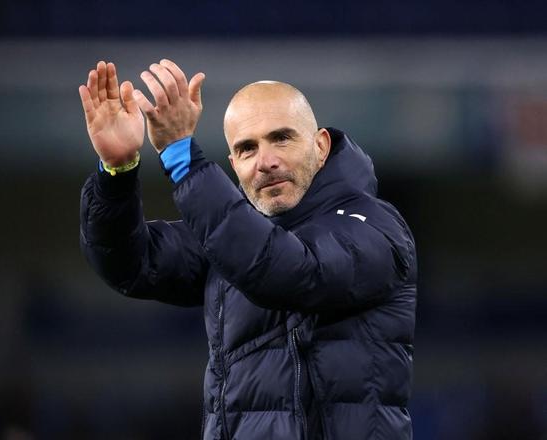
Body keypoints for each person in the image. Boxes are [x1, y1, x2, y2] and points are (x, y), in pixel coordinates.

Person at [78, 59, 417, 440]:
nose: (266, 162)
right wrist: (117, 172)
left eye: (282, 138)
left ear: (321, 146)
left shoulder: (373, 226)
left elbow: (291, 272)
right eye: (247, 148)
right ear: (234, 164)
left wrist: (182, 159)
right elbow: (130, 262)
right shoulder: (232, 235)